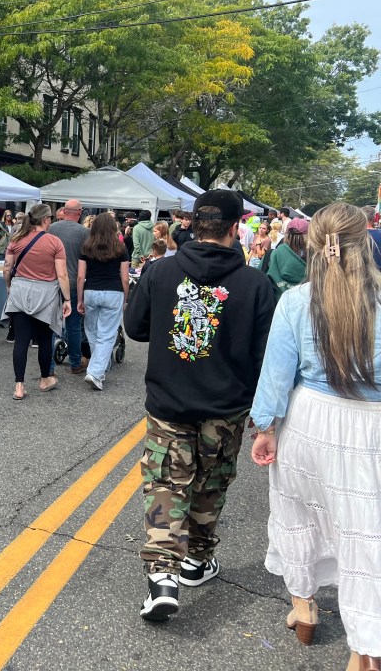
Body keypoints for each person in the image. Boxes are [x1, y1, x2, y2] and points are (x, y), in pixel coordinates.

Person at [123, 189, 276, 622]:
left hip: (170, 400)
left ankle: (162, 574)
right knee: (211, 482)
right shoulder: (256, 284)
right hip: (226, 405)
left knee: (166, 482)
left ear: (191, 224)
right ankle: (196, 560)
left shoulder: (160, 272)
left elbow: (135, 328)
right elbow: (269, 357)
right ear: (234, 229)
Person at [249, 203, 381, 669]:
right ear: (365, 241)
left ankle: (304, 607)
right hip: (369, 426)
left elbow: (276, 375)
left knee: (299, 514)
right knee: (366, 534)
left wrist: (265, 427)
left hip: (308, 422)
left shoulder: (297, 301)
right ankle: (365, 646)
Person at [3, 203, 71, 399]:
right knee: (44, 340)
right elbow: (62, 275)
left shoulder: (16, 239)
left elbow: (7, 268)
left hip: (20, 291)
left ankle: (18, 386)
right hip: (47, 294)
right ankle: (44, 379)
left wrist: (9, 287)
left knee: (21, 342)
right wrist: (67, 299)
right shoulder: (55, 242)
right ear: (45, 219)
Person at [76, 213, 129, 392]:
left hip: (91, 291)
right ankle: (96, 371)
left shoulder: (87, 247)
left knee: (92, 331)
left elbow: (81, 276)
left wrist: (80, 299)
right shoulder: (120, 247)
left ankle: (99, 366)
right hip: (113, 292)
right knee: (107, 334)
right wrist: (126, 297)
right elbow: (125, 277)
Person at [48, 198, 89, 374]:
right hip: (73, 283)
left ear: (63, 212)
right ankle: (75, 362)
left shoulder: (51, 229)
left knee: (49, 324)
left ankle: (48, 366)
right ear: (79, 213)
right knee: (73, 326)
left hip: (51, 281)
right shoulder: (84, 233)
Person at [265, 216, 307, 298]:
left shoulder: (272, 255)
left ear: (286, 235)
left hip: (275, 306)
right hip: (304, 306)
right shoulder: (315, 260)